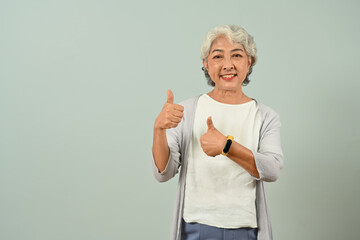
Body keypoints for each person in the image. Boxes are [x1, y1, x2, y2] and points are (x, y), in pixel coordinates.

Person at [152, 25, 284, 240]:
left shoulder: (266, 116)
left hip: (245, 228)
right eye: (218, 56)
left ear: (249, 62)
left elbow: (272, 169)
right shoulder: (187, 111)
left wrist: (227, 146)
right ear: (206, 63)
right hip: (195, 226)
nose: (228, 65)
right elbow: (163, 172)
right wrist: (158, 129)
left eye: (237, 55)